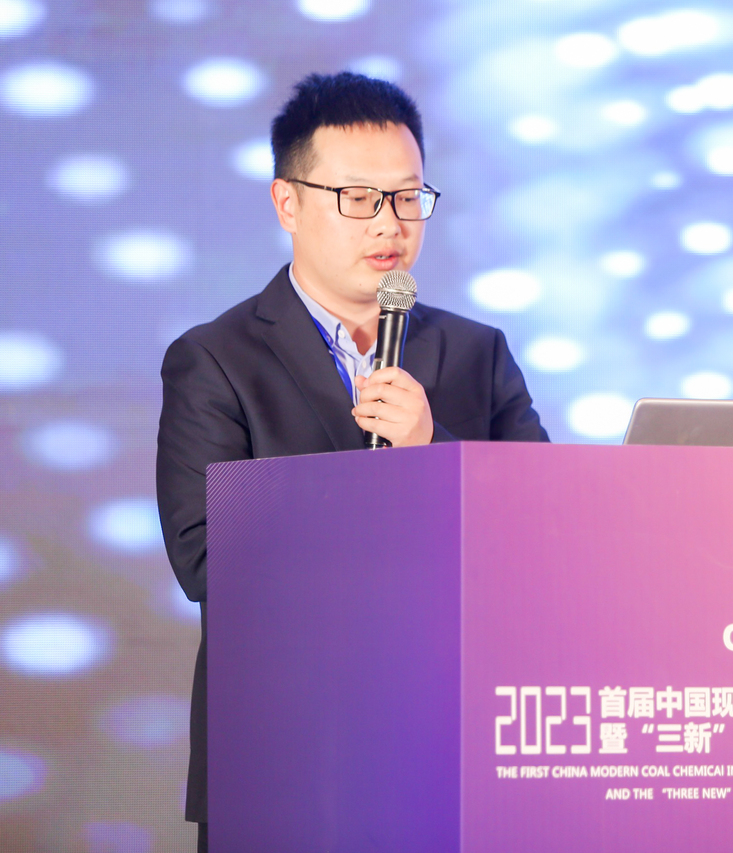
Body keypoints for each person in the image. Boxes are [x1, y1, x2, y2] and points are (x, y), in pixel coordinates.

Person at [156, 71, 548, 852]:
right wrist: (377, 488)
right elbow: (206, 560)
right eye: (359, 199)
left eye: (407, 197)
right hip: (284, 760)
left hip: (452, 755)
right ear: (287, 202)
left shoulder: (477, 352)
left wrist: (433, 451)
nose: (389, 224)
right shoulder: (216, 360)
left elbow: (544, 532)